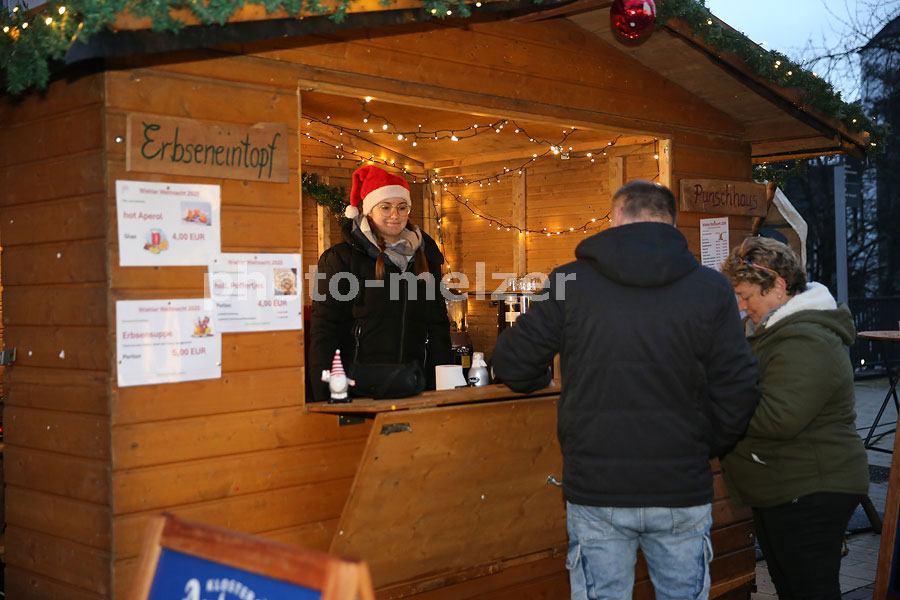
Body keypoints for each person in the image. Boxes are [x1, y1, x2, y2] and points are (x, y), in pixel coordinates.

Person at [491, 180, 760, 600]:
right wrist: (700, 445)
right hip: (679, 484)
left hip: (597, 487)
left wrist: (545, 381)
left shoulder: (569, 281)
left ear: (616, 217)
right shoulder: (711, 289)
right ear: (671, 222)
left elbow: (513, 365)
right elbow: (739, 387)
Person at [719, 236, 869, 600]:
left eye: (746, 295)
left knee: (809, 590)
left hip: (810, 489)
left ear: (778, 286)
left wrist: (717, 400)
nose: (741, 305)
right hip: (786, 485)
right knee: (793, 588)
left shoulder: (807, 338)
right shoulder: (775, 331)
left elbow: (778, 418)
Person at [308, 165, 452, 402]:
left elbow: (437, 326)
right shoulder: (339, 259)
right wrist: (325, 396)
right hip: (359, 390)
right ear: (369, 211)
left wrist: (442, 385)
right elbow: (324, 331)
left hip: (415, 386)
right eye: (386, 207)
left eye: (402, 207)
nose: (395, 214)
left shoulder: (426, 257)